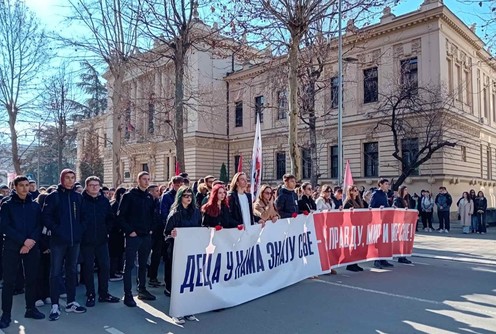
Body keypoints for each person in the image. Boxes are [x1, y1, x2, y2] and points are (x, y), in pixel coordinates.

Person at [41, 169, 87, 321]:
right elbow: (46, 217)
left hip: (75, 241)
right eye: (67, 178)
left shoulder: (78, 197)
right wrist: (58, 230)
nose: (70, 180)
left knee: (72, 271)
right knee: (55, 272)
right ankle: (55, 305)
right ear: (62, 179)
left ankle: (71, 301)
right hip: (58, 241)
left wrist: (80, 231)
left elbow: (83, 217)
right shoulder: (53, 196)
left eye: (72, 178)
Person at [0, 176, 45, 328]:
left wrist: (30, 241)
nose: (25, 188)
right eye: (22, 186)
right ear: (15, 187)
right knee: (9, 282)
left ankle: (30, 308)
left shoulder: (35, 206)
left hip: (31, 247)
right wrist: (22, 241)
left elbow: (39, 225)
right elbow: (5, 226)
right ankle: (6, 315)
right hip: (12, 247)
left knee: (31, 279)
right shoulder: (7, 205)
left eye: (27, 185)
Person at [117, 171, 158, 307]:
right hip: (133, 237)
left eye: (148, 179)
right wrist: (130, 231)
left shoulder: (149, 197)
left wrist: (151, 229)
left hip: (146, 236)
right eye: (144, 179)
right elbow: (120, 216)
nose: (147, 181)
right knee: (128, 266)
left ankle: (142, 290)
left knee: (143, 265)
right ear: (138, 180)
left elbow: (153, 216)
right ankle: (128, 294)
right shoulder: (129, 196)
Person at [163, 186, 201, 325]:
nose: (188, 198)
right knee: (177, 281)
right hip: (176, 251)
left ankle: (188, 310)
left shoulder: (196, 212)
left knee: (188, 281)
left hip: (191, 250)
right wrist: (171, 234)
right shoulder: (174, 213)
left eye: (190, 195)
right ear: (180, 197)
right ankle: (177, 312)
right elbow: (166, 233)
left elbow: (199, 229)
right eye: (185, 195)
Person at [80, 176, 119, 307]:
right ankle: (90, 294)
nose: (94, 187)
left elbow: (110, 218)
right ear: (86, 186)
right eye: (91, 185)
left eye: (97, 185)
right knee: (88, 268)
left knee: (105, 267)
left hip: (102, 240)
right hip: (86, 241)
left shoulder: (104, 201)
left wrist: (106, 230)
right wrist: (82, 232)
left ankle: (104, 293)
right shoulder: (81, 200)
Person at [369, 179, 394, 269]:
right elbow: (371, 207)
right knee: (378, 241)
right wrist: (379, 208)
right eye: (386, 184)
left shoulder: (385, 194)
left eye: (388, 184)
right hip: (377, 221)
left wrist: (390, 208)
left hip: (385, 221)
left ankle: (383, 259)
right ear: (381, 184)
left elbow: (385, 205)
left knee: (384, 240)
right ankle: (377, 260)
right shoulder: (376, 194)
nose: (388, 186)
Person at [343, 185, 367, 272]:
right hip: (351, 227)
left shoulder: (359, 201)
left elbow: (365, 209)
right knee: (352, 246)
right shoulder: (348, 202)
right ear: (351, 192)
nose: (357, 192)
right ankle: (350, 264)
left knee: (357, 246)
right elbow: (344, 214)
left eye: (357, 190)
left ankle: (355, 263)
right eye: (355, 190)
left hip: (359, 225)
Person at [109, 187, 126, 281]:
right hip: (115, 233)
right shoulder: (115, 204)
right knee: (114, 254)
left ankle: (117, 270)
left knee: (119, 253)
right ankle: (112, 273)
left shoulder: (117, 203)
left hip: (118, 232)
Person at [392, 186, 413, 264]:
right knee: (401, 240)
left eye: (407, 190)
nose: (406, 191)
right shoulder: (397, 199)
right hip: (400, 222)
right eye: (405, 190)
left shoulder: (407, 199)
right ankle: (401, 256)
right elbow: (395, 209)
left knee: (405, 240)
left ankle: (403, 256)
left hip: (406, 222)